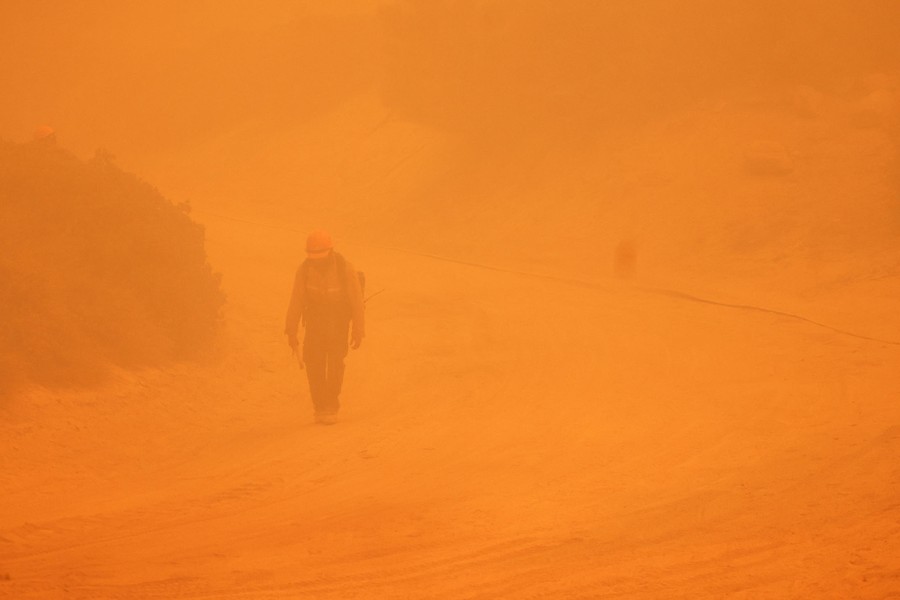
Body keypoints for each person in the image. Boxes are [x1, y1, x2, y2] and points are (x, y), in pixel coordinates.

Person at [285, 230, 365, 424]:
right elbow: (296, 300)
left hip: (338, 323)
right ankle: (320, 406)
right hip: (315, 323)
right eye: (313, 256)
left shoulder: (345, 269)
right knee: (314, 363)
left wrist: (358, 329)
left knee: (335, 363)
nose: (316, 261)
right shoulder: (304, 270)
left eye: (319, 256)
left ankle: (331, 404)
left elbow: (356, 301)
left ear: (330, 251)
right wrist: (291, 330)